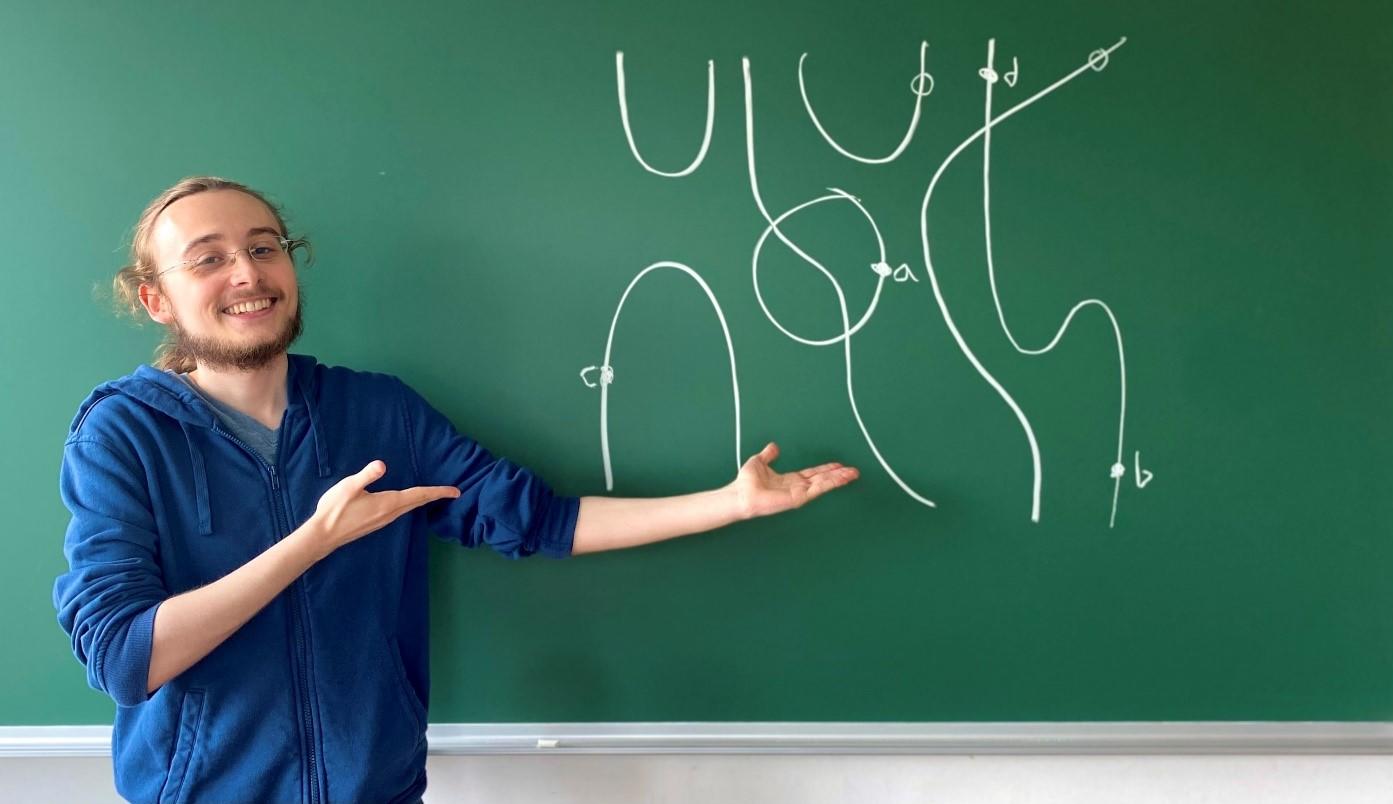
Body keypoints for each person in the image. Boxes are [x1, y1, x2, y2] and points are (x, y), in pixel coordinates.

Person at [53, 176, 859, 803]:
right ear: (156, 298)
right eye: (208, 257)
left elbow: (537, 519)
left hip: (380, 788)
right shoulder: (124, 433)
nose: (247, 273)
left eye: (266, 248)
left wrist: (732, 502)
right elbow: (128, 657)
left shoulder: (377, 411)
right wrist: (315, 540)